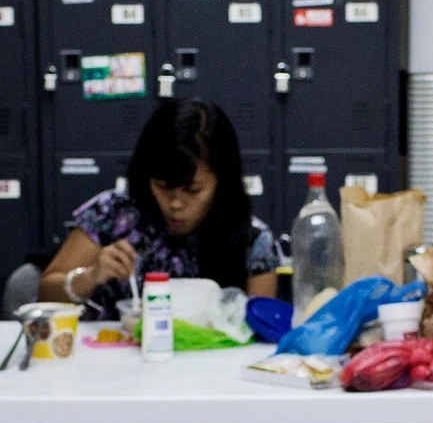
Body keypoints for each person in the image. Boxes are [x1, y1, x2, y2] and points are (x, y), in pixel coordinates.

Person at [38, 96, 281, 317]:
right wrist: (91, 276)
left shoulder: (253, 240)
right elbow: (45, 294)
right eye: (163, 186)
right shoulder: (110, 213)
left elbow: (257, 338)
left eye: (193, 190)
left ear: (222, 181)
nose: (175, 204)